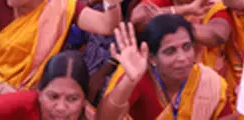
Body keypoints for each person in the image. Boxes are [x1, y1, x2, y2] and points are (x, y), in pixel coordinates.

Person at [98, 18, 234, 119]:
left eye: (187, 47)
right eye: (170, 51)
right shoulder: (136, 73)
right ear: (151, 58)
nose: (182, 58)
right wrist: (129, 81)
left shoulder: (209, 82)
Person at [0, 36, 90, 120]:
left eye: (72, 99)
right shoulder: (26, 105)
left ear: (84, 101)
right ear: (39, 94)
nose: (61, 107)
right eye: (53, 96)